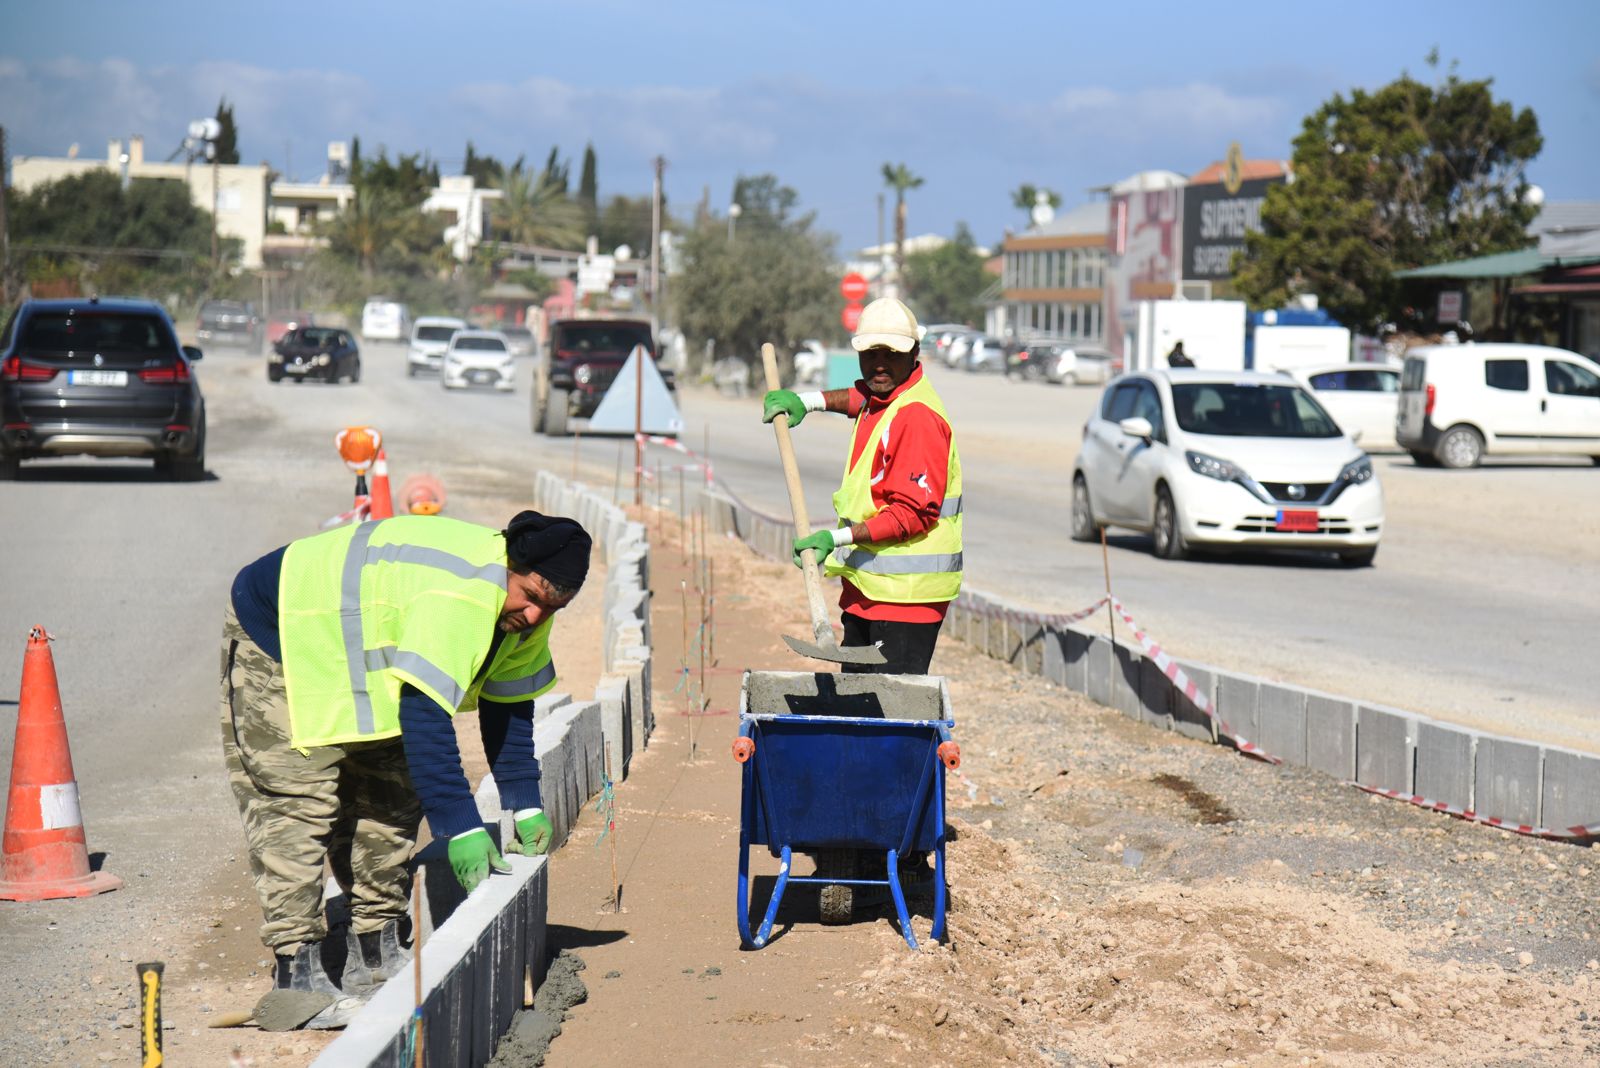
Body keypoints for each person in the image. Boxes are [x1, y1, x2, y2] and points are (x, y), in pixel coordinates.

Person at [221, 511, 589, 1029]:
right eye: (529, 596)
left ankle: (375, 954)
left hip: (360, 638)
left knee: (389, 795)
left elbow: (508, 705)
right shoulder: (461, 594)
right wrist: (460, 824)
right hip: (288, 624)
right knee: (297, 803)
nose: (534, 616)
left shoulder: (527, 613)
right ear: (508, 564)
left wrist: (524, 801)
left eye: (552, 608)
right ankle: (296, 979)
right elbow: (425, 713)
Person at [761, 296, 963, 675]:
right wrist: (807, 401)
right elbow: (862, 397)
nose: (879, 364)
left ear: (914, 353)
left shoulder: (917, 418)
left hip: (905, 600)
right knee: (857, 699)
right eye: (870, 354)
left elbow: (911, 514)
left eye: (891, 354)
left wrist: (833, 539)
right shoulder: (885, 396)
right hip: (870, 591)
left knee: (890, 704)